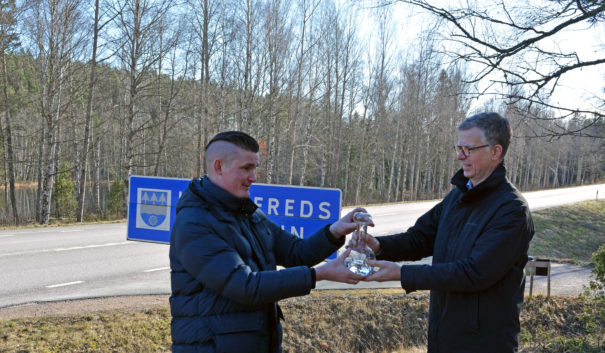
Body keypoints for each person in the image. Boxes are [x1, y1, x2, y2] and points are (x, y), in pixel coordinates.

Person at [169, 131, 365, 353]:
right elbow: (246, 286)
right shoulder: (195, 224)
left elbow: (295, 252)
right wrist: (319, 274)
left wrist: (334, 232)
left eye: (255, 168)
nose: (253, 177)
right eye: (246, 168)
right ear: (218, 167)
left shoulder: (246, 212)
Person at [359, 112, 534, 352]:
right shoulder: (457, 196)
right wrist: (378, 245)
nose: (460, 156)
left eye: (469, 149)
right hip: (444, 338)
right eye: (458, 147)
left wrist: (402, 274)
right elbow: (419, 238)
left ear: (496, 152)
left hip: (484, 344)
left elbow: (474, 273)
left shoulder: (512, 210)